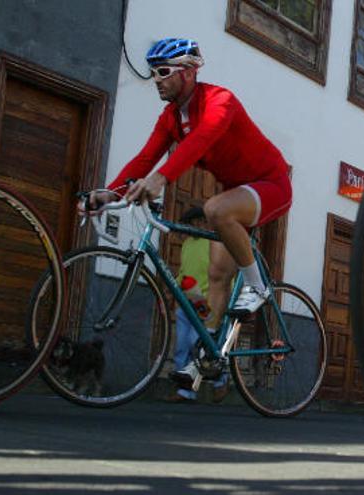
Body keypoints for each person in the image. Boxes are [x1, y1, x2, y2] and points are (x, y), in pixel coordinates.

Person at [83, 38, 292, 387]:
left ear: (189, 72)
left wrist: (161, 179)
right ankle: (207, 355)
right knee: (217, 275)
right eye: (153, 73)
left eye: (164, 72)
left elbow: (202, 140)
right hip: (238, 191)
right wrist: (108, 193)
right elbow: (144, 158)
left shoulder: (219, 101)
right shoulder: (170, 118)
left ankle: (259, 288)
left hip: (272, 184)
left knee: (215, 209)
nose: (157, 79)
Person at [165, 206, 229, 403]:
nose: (197, 225)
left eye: (200, 221)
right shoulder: (187, 245)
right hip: (188, 296)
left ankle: (220, 381)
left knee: (198, 343)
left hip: (206, 298)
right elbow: (185, 272)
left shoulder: (214, 241)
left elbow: (224, 272)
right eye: (193, 222)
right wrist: (173, 287)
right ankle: (185, 390)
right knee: (182, 344)